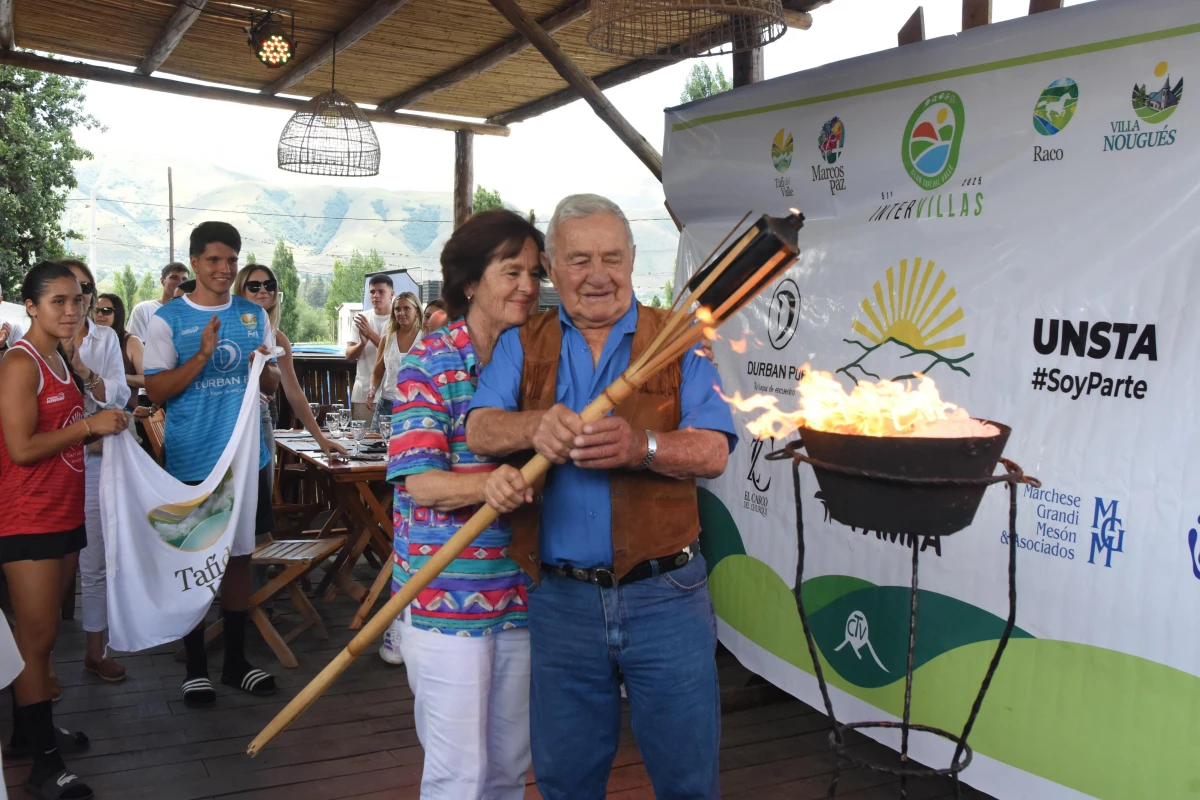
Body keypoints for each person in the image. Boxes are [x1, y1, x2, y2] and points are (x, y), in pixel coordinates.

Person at [466, 194, 737, 800]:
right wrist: (533, 427)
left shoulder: (676, 338)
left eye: (612, 257)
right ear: (553, 269)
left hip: (666, 595)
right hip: (561, 602)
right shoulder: (523, 341)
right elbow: (481, 427)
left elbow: (714, 452)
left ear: (633, 260)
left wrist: (645, 446)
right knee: (566, 782)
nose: (597, 275)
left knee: (689, 780)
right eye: (579, 258)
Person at [385, 209, 544, 798]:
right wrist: (488, 486)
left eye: (533, 271)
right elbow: (420, 483)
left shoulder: (539, 361)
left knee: (507, 768)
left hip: (523, 592)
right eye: (511, 271)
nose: (527, 285)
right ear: (471, 282)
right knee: (458, 773)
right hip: (444, 594)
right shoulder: (432, 361)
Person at [0, 261, 128, 800]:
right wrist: (88, 427)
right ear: (31, 305)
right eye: (59, 301)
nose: (72, 310)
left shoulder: (60, 359)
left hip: (61, 510)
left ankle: (30, 734)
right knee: (36, 641)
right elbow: (21, 449)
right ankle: (44, 765)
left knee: (43, 636)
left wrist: (101, 412)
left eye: (78, 300)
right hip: (25, 518)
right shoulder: (20, 363)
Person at [144, 222, 282, 707]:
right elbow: (156, 391)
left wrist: (262, 368)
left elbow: (269, 390)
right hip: (193, 460)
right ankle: (196, 666)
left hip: (247, 459)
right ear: (196, 261)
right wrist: (202, 355)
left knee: (240, 557)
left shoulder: (252, 315)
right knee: (195, 560)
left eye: (232, 260)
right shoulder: (167, 319)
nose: (225, 269)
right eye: (214, 260)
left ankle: (236, 663)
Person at [57, 261, 131, 684]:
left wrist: (83, 370)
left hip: (96, 461)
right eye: (66, 291)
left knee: (94, 560)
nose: (77, 297)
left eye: (84, 288)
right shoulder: (34, 346)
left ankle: (94, 650)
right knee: (52, 563)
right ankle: (38, 663)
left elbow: (118, 395)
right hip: (51, 463)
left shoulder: (103, 338)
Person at [234, 264, 347, 461]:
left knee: (262, 490)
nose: (263, 290)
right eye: (253, 286)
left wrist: (320, 438)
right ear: (240, 291)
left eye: (269, 285)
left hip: (261, 417)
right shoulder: (228, 329)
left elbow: (294, 391)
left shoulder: (278, 339)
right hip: (226, 418)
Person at [367, 291, 421, 431]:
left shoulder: (426, 338)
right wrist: (372, 390)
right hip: (386, 405)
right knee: (375, 447)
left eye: (406, 308)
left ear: (416, 311)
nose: (401, 313)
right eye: (397, 309)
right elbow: (378, 372)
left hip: (416, 407)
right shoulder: (387, 339)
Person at [346, 274, 393, 421]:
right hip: (363, 393)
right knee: (362, 440)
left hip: (391, 394)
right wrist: (361, 344)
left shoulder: (398, 320)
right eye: (372, 292)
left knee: (388, 441)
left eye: (381, 292)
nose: (376, 296)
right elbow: (349, 355)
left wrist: (370, 334)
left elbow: (394, 352)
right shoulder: (361, 319)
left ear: (392, 294)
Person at [127, 262, 189, 341]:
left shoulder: (193, 312)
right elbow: (135, 347)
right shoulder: (144, 309)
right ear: (163, 281)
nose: (180, 282)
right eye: (174, 277)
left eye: (184, 279)